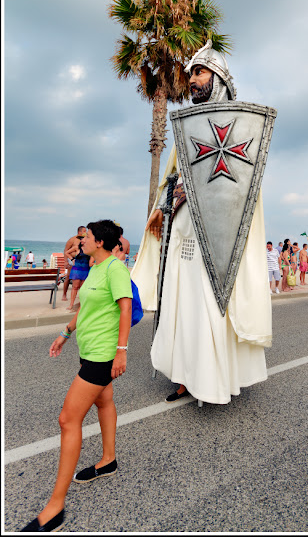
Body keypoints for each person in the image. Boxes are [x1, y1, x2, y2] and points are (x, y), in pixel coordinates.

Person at [132, 40, 271, 405]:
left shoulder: (238, 126)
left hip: (217, 234)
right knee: (181, 304)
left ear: (219, 78)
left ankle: (214, 379)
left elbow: (242, 186)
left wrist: (187, 194)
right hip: (182, 230)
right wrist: (163, 208)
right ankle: (185, 376)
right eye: (191, 73)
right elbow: (173, 178)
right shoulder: (186, 128)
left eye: (199, 72)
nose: (191, 80)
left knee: (210, 306)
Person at [20, 220, 132, 533]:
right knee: (104, 401)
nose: (81, 240)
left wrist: (121, 351)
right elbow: (85, 308)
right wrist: (65, 333)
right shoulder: (95, 267)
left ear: (100, 242)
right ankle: (108, 459)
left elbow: (126, 308)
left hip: (102, 356)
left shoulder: (115, 269)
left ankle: (55, 507)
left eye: (87, 237)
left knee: (68, 420)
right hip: (89, 348)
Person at [67, 238, 92, 312]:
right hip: (77, 269)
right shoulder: (77, 247)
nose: (82, 241)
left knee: (83, 288)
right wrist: (72, 259)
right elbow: (67, 252)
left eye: (83, 239)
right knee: (75, 287)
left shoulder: (89, 248)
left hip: (86, 269)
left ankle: (82, 305)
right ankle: (71, 304)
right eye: (81, 240)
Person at [63, 227, 87, 301]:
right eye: (84, 231)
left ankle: (79, 295)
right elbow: (66, 250)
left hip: (82, 261)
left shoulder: (85, 239)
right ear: (79, 231)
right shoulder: (72, 239)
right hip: (72, 260)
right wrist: (66, 261)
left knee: (81, 280)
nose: (86, 232)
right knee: (68, 277)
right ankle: (64, 294)